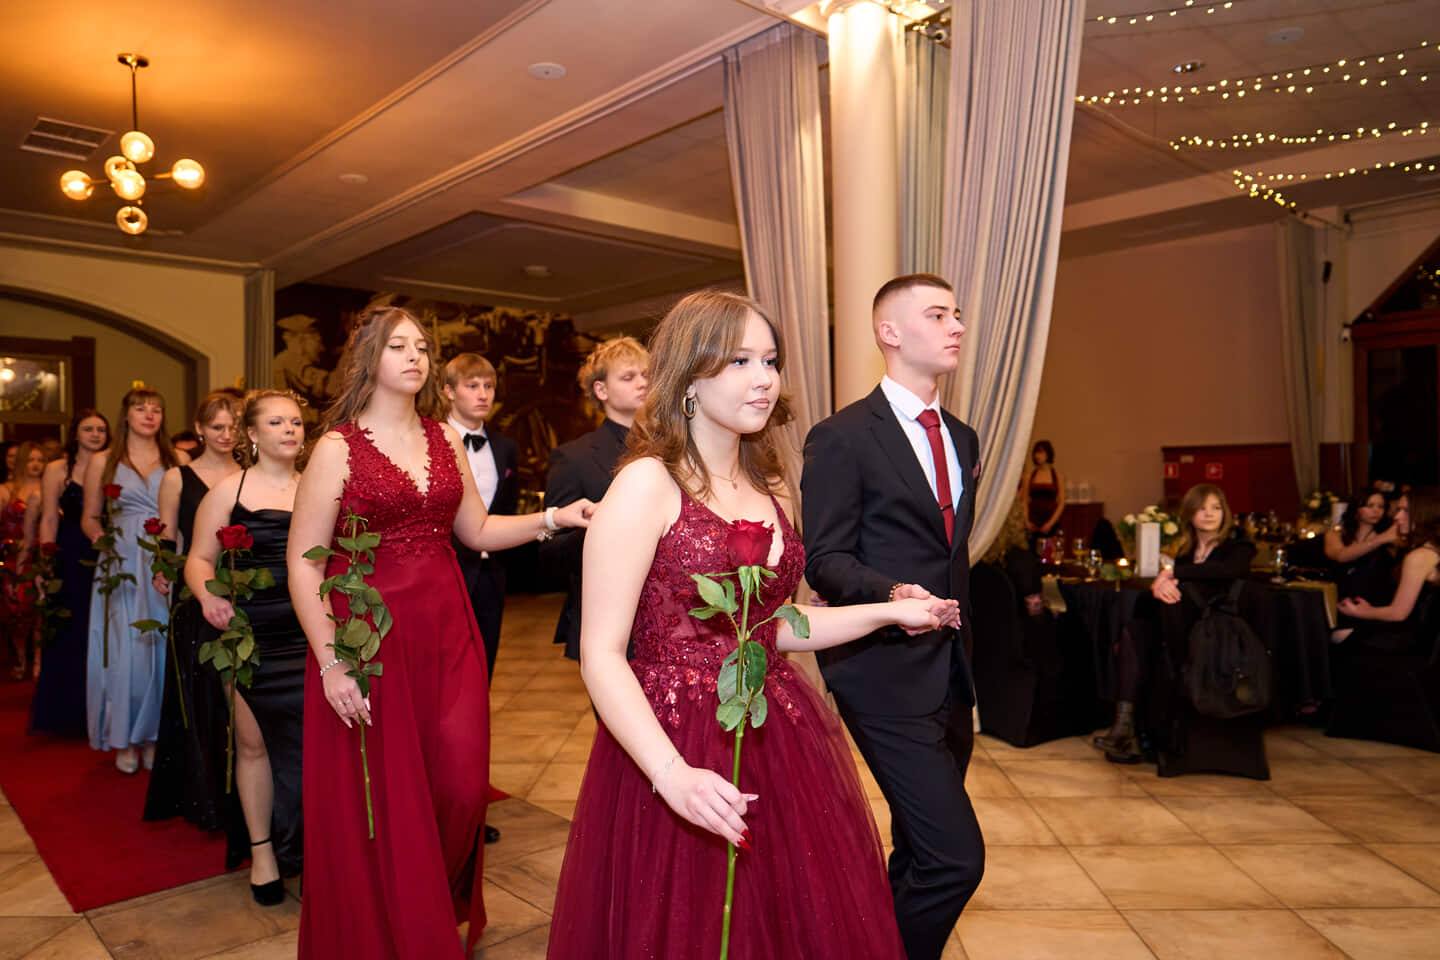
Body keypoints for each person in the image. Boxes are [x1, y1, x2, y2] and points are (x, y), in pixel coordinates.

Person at [548, 291, 954, 960]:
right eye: (739, 361)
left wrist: (888, 611)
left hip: (773, 728)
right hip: (672, 737)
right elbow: (601, 653)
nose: (764, 378)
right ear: (689, 375)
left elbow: (773, 628)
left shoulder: (772, 487)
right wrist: (672, 774)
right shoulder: (646, 483)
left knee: (779, 916)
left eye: (770, 360)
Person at [287, 304, 592, 959]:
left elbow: (476, 531)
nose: (415, 357)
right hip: (369, 640)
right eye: (398, 346)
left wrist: (554, 518)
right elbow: (303, 560)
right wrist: (332, 661)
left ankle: (432, 907)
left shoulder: (442, 438)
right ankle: (396, 931)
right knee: (387, 797)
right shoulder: (338, 447)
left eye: (422, 347)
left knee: (460, 785)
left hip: (448, 630)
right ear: (368, 357)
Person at [801, 274, 984, 960]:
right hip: (880, 672)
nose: (956, 326)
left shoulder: (962, 437)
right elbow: (825, 558)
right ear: (889, 332)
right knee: (954, 860)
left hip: (951, 673)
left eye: (956, 314)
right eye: (937, 315)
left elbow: (951, 553)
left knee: (919, 850)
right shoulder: (842, 436)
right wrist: (891, 593)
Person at [187, 390, 308, 904]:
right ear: (252, 434)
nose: (290, 430)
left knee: (314, 750)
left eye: (296, 422)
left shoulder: (318, 488)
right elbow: (198, 559)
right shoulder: (227, 491)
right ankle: (262, 854)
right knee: (254, 744)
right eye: (276, 422)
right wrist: (209, 597)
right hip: (250, 637)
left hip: (310, 634)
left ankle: (314, 847)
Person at [1092, 483, 1257, 763]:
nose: (1209, 514)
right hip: (1178, 625)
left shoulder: (1238, 545)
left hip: (1214, 631)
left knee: (1144, 639)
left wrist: (1171, 573)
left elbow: (1227, 570)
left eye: (1216, 508)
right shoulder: (1185, 550)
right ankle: (1124, 727)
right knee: (1134, 633)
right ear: (1190, 513)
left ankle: (1130, 732)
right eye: (1202, 508)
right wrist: (1160, 587)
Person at [144, 391, 243, 830]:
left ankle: (242, 789)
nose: (226, 435)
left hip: (246, 590)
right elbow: (168, 537)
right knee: (199, 693)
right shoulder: (177, 477)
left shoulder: (250, 473)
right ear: (200, 429)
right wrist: (162, 570)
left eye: (233, 427)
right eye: (217, 427)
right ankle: (204, 793)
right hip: (196, 589)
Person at [82, 385, 188, 773]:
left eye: (156, 409)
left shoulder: (178, 458)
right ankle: (124, 736)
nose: (149, 414)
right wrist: (103, 541)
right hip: (122, 561)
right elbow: (89, 516)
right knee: (124, 648)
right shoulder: (103, 461)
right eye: (141, 408)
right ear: (126, 414)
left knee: (160, 645)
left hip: (164, 555)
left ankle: (156, 736)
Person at [542, 335, 649, 661]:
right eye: (628, 377)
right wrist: (601, 525)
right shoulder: (573, 458)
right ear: (601, 390)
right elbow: (552, 552)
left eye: (646, 375)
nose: (642, 383)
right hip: (608, 618)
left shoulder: (674, 448)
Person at [28, 412, 109, 735]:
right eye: (88, 429)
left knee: (101, 628)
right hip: (70, 551)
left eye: (101, 429)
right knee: (69, 627)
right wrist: (45, 561)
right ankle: (66, 713)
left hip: (107, 549)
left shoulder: (114, 465)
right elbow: (49, 518)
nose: (95, 434)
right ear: (75, 433)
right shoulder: (57, 469)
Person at [442, 353, 519, 677]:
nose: (483, 394)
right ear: (449, 391)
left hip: (491, 571)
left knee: (484, 663)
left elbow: (507, 507)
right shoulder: (432, 442)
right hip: (446, 569)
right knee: (444, 664)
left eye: (489, 386)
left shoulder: (505, 448)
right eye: (472, 386)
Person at [1334, 489, 1439, 650]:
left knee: (1336, 635)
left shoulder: (1419, 556)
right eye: (1398, 510)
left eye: (1405, 511)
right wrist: (1370, 609)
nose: (1397, 516)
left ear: (1424, 514)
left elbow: (1398, 613)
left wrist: (1360, 612)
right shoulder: (1431, 547)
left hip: (1411, 638)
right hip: (1421, 635)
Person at [1, 441, 47, 678]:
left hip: (45, 554)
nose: (36, 464)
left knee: (43, 610)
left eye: (40, 460)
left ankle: (39, 660)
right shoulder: (6, 490)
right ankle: (20, 659)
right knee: (17, 610)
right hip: (14, 555)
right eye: (30, 459)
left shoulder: (51, 488)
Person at [1326, 490, 1401, 611]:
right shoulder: (1336, 535)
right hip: (1341, 602)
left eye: (1381, 506)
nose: (1376, 510)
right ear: (1356, 508)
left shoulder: (1390, 537)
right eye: (1370, 505)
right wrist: (1381, 539)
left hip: (1376, 604)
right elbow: (1341, 556)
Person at [1021, 440, 1066, 538]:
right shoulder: (1029, 477)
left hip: (1051, 521)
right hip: (1033, 522)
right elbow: (1024, 501)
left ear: (1048, 453)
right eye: (1035, 452)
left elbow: (1061, 502)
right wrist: (1027, 521)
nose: (1037, 456)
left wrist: (1051, 523)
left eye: (1041, 452)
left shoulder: (1058, 476)